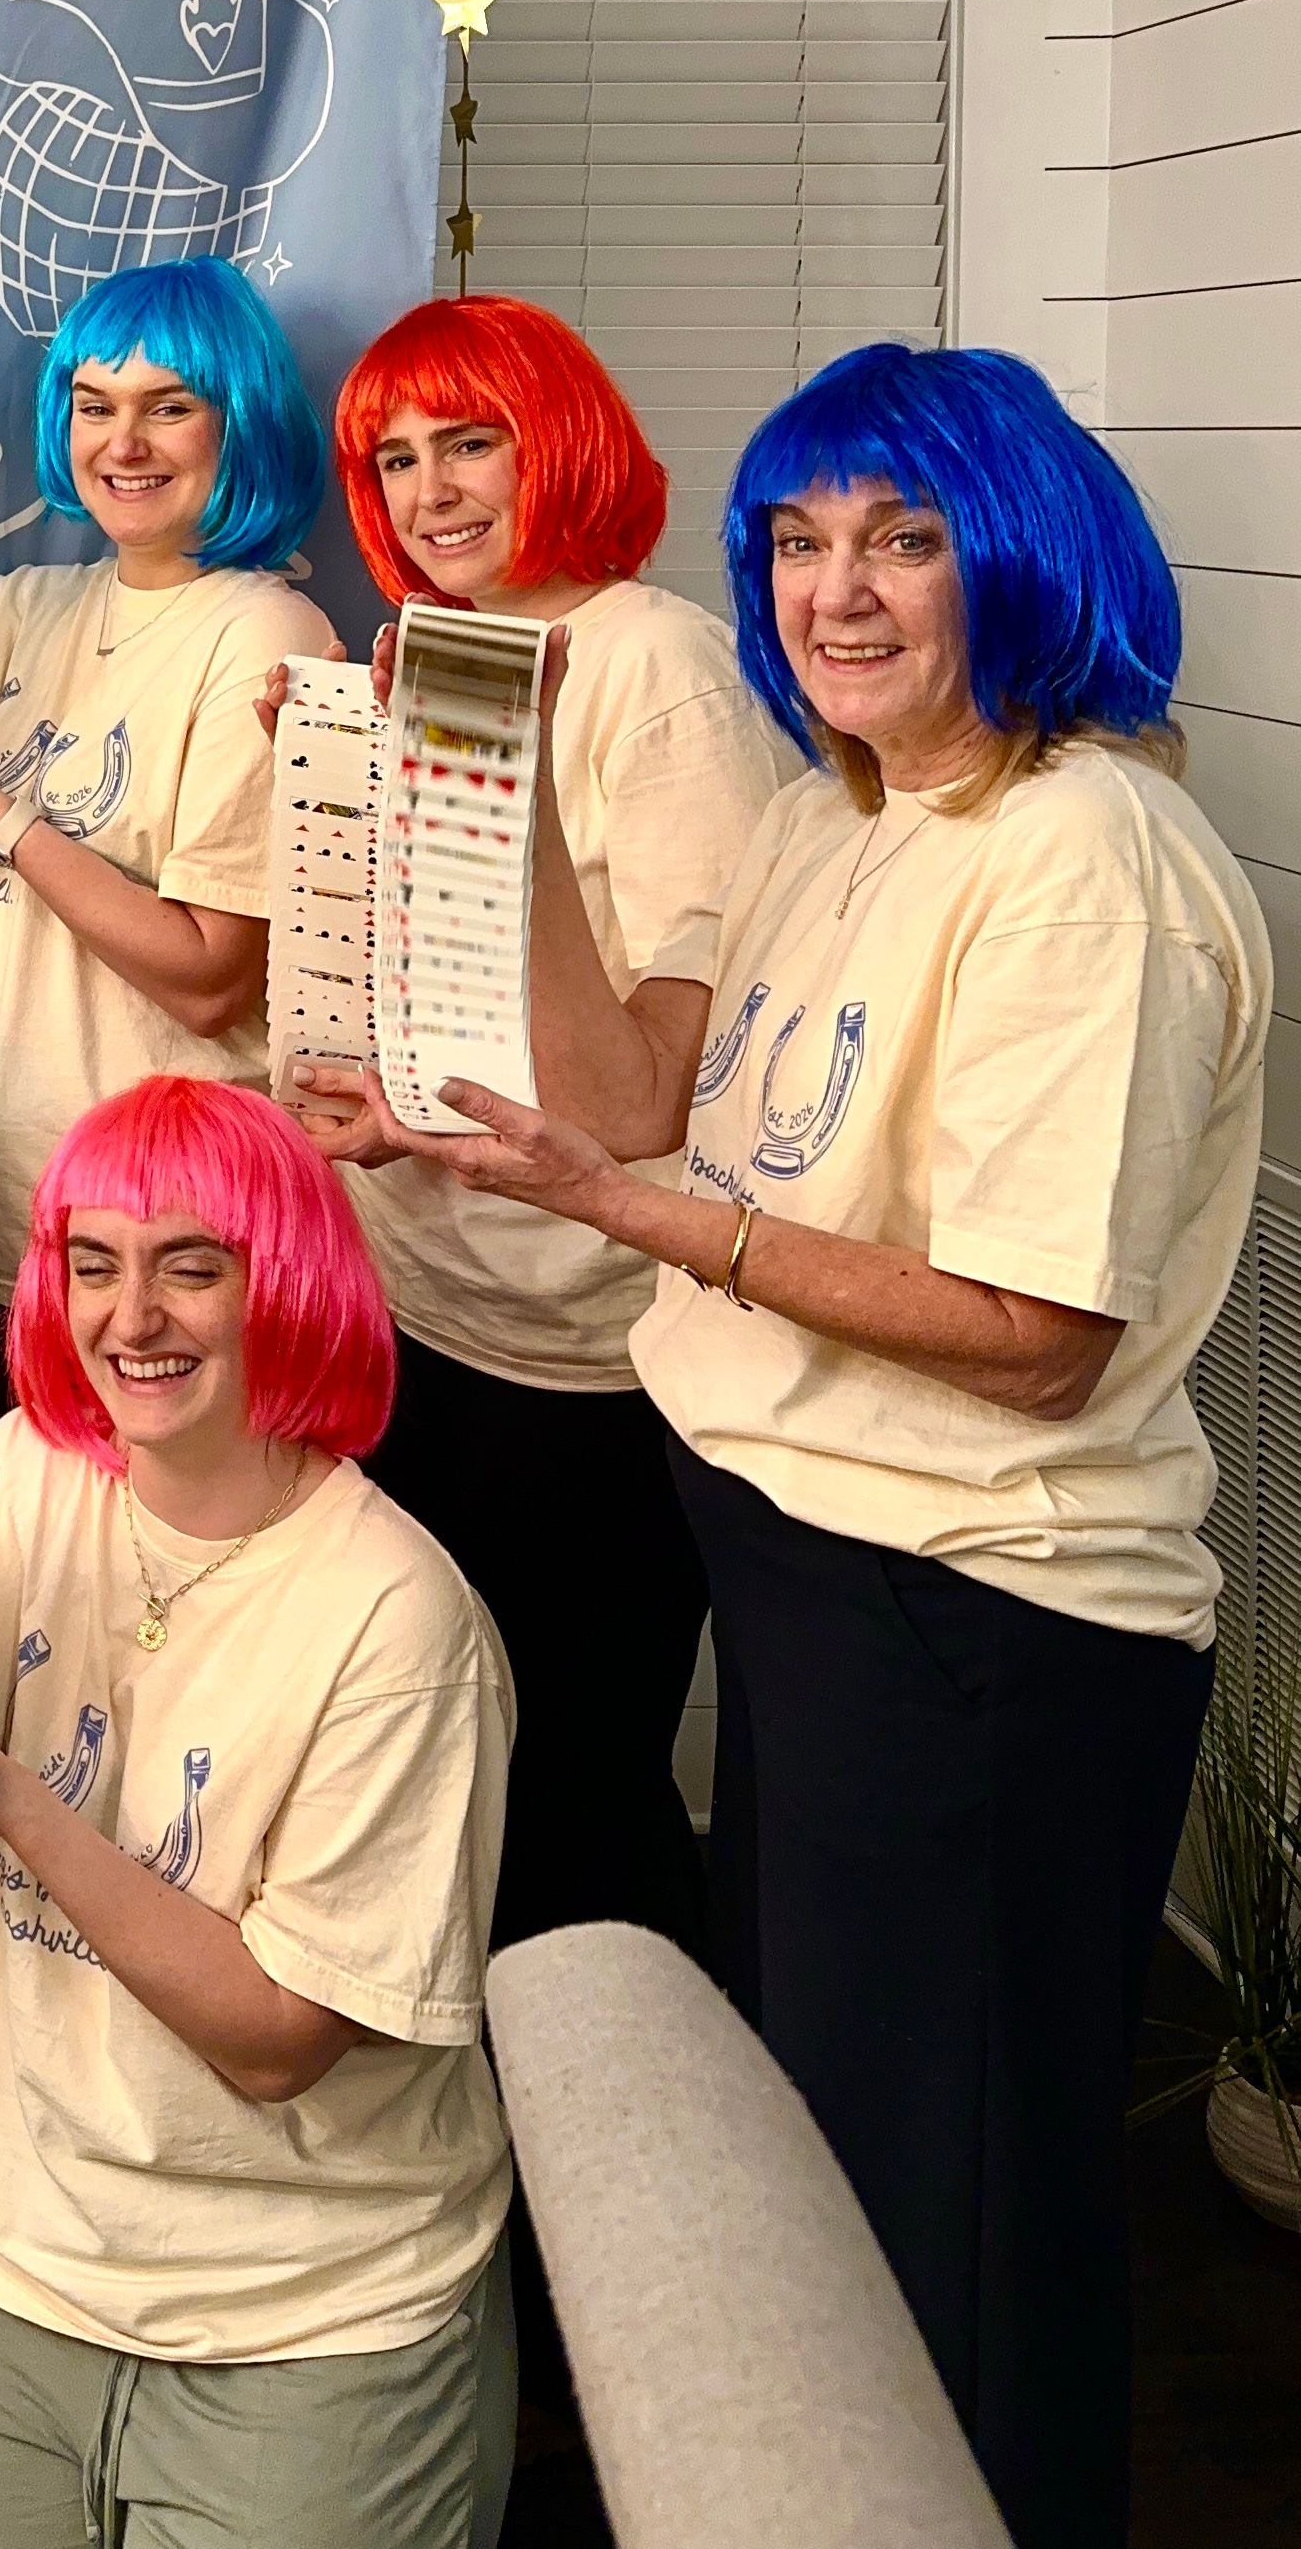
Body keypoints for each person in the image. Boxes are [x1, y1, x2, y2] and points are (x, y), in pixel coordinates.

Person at [313, 342, 1270, 2549]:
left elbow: (1032, 1338)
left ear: (1024, 552)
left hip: (984, 1616)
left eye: (905, 539)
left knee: (956, 2238)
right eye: (802, 542)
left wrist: (619, 1219)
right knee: (842, 2180)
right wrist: (518, 794)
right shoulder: (841, 814)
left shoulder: (1085, 856)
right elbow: (640, 1091)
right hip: (815, 1572)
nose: (839, 592)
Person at [0, 1074, 516, 2549]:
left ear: (281, 1282)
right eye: (94, 1264)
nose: (130, 1317)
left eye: (189, 1265)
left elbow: (280, 2045)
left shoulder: (400, 1620)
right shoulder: (27, 1469)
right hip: (17, 2256)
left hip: (311, 2309)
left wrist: (19, 1805)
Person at [304, 297, 788, 1962]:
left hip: (579, 1368)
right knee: (436, 1771)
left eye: (469, 441)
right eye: (393, 456)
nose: (429, 491)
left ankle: (627, 2192)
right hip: (426, 1321)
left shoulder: (644, 666)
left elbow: (647, 1090)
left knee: (566, 1804)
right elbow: (461, 1024)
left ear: (555, 441)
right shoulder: (445, 657)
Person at [0, 258, 336, 1416]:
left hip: (147, 1255)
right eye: (96, 406)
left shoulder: (268, 634)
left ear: (236, 422)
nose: (125, 442)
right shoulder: (25, 606)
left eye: (169, 406)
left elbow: (210, 977)